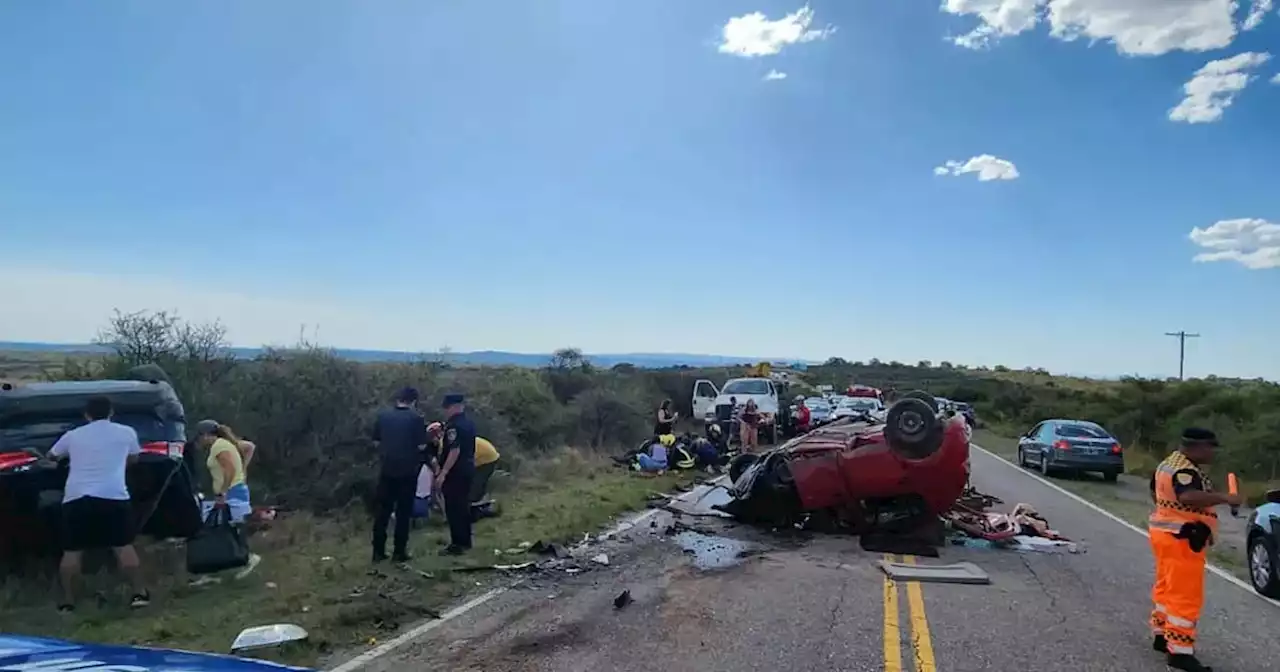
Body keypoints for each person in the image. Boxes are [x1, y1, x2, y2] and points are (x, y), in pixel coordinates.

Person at [1147, 427, 1243, 672]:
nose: (1213, 453)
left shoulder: (1168, 463)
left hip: (1165, 533)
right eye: (1210, 448)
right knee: (1185, 595)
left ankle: (1162, 634)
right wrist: (1225, 498)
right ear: (1196, 447)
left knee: (1166, 586)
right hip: (1183, 537)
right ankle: (1179, 653)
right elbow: (1188, 496)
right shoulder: (1185, 470)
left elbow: (1155, 493)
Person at [48, 396, 150, 612]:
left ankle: (68, 602)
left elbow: (52, 456)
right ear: (111, 412)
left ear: (87, 415)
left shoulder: (73, 435)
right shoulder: (126, 432)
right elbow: (134, 459)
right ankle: (139, 594)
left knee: (72, 551)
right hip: (113, 496)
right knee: (123, 546)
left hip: (76, 497)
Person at [370, 387, 428, 563]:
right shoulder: (416, 419)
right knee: (403, 513)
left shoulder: (383, 416)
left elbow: (375, 441)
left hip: (387, 470)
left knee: (382, 512)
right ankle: (399, 552)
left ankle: (378, 552)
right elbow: (421, 447)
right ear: (413, 401)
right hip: (407, 472)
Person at [438, 393, 476, 556]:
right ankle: (466, 541)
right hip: (467, 468)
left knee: (454, 508)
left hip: (455, 472)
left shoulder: (453, 426)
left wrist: (443, 473)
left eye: (446, 408)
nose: (445, 411)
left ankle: (457, 544)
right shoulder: (469, 423)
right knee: (463, 506)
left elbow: (454, 450)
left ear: (453, 407)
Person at [470, 436, 500, 505]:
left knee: (477, 481)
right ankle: (480, 500)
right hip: (486, 454)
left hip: (488, 458)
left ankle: (474, 504)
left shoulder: (447, 443)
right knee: (478, 481)